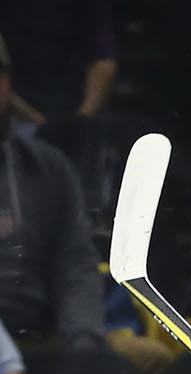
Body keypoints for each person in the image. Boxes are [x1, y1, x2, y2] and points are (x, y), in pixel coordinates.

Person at [0, 42, 105, 351]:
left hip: (41, 338)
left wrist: (85, 339)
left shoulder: (48, 167)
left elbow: (75, 262)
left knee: (146, 361)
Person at [0, 4, 116, 124]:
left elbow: (103, 61)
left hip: (70, 103)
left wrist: (81, 120)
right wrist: (25, 113)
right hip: (13, 107)